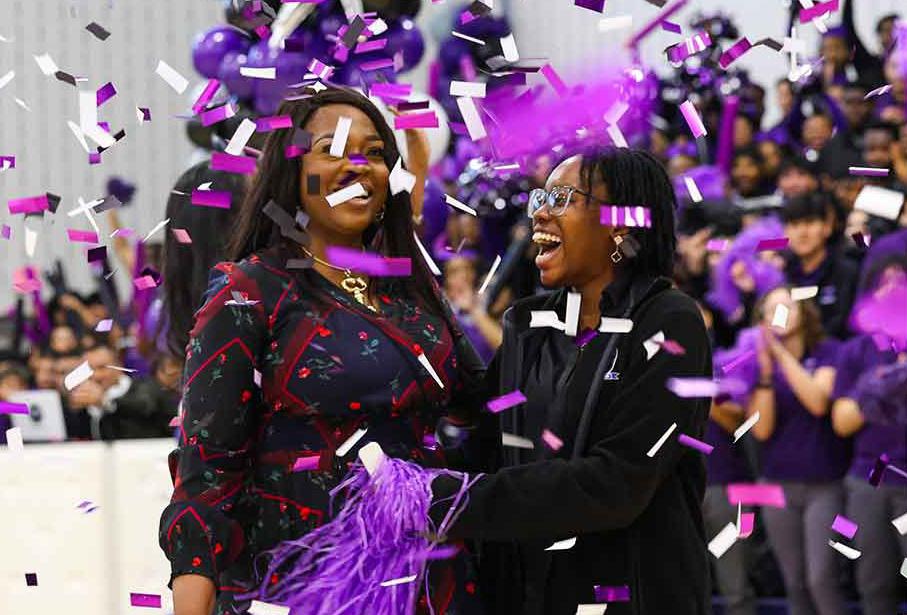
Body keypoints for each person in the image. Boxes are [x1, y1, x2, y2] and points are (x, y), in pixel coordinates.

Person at [159, 86, 486, 615]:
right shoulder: (249, 289)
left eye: (374, 153)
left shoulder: (411, 286)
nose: (358, 165)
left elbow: (480, 404)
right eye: (332, 149)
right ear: (291, 170)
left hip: (429, 583)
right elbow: (207, 478)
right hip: (300, 586)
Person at [431, 148, 714, 614]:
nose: (540, 212)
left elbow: (617, 483)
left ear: (620, 223)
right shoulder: (527, 323)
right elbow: (487, 450)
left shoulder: (669, 320)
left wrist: (452, 501)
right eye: (541, 197)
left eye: (562, 198)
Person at [740, 286, 849, 615]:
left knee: (821, 579)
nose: (780, 315)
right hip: (775, 484)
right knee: (795, 583)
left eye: (787, 307)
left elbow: (818, 402)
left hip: (825, 484)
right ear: (761, 321)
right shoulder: (757, 362)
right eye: (772, 309)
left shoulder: (828, 351)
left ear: (804, 313)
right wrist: (765, 373)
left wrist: (781, 354)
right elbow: (761, 430)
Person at [831, 255, 907, 615]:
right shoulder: (856, 351)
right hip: (868, 481)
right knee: (874, 584)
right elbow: (841, 422)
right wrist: (882, 385)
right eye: (883, 284)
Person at [781, 194, 859, 339]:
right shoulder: (782, 277)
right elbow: (778, 325)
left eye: (810, 223)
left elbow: (845, 326)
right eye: (795, 225)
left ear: (827, 227)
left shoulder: (848, 273)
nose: (802, 233)